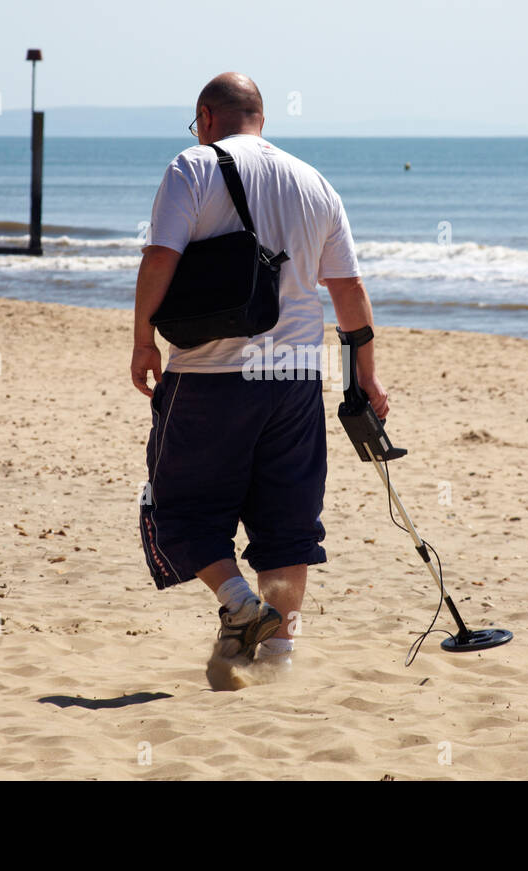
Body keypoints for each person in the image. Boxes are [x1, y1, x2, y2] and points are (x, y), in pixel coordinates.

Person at [131, 72, 389, 688]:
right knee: (288, 521)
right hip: (297, 375)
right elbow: (348, 289)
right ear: (262, 118)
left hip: (211, 372)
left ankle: (242, 606)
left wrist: (143, 340)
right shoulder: (314, 180)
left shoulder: (192, 166)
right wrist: (366, 379)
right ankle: (278, 661)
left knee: (177, 507)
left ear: (206, 117)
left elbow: (160, 257)